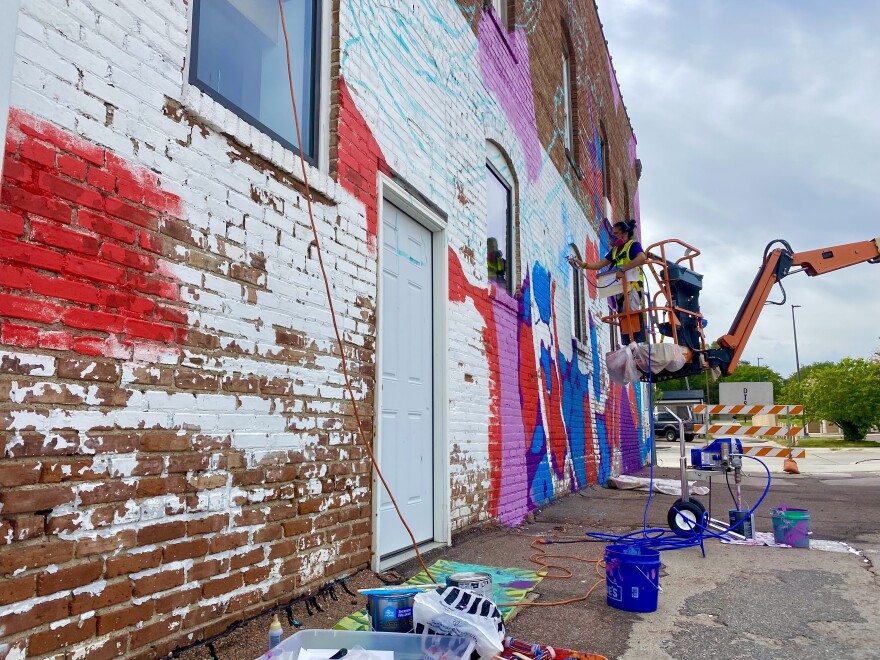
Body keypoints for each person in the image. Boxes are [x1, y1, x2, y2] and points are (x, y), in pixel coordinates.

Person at [569, 219, 647, 344]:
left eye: (615, 234)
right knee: (623, 316)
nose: (612, 237)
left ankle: (636, 344)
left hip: (632, 287)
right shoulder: (615, 251)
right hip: (621, 289)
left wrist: (623, 269)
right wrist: (582, 264)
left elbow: (642, 257)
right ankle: (629, 345)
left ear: (625, 233)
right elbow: (599, 265)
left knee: (631, 314)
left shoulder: (633, 246)